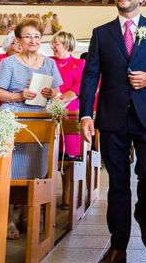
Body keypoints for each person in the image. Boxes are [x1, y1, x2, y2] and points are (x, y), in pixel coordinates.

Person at [79, 0, 146, 263]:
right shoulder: (101, 33)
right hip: (111, 117)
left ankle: (144, 213)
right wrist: (86, 113)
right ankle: (118, 244)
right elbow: (90, 76)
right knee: (118, 183)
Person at [0, 17, 62, 240]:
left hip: (39, 118)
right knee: (11, 171)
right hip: (13, 116)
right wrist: (18, 95)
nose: (33, 40)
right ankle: (8, 218)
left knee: (33, 170)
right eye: (28, 36)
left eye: (37, 36)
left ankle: (26, 214)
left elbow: (58, 91)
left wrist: (52, 94)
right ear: (19, 40)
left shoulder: (49, 63)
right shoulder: (9, 63)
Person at [49, 30, 86, 210]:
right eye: (53, 43)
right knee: (48, 155)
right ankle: (45, 194)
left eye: (56, 43)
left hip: (70, 110)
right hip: (49, 109)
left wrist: (62, 98)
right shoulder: (48, 62)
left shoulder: (79, 63)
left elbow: (79, 85)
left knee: (68, 154)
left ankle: (67, 193)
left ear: (66, 44)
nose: (53, 46)